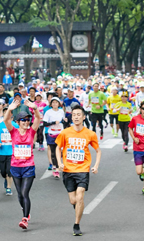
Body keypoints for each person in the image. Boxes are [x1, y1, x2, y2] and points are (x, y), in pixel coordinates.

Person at [55, 104, 101, 236]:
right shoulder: (65, 132)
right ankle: (78, 208)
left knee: (80, 195)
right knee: (73, 200)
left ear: (83, 117)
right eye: (74, 115)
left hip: (83, 170)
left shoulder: (90, 134)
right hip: (68, 170)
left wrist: (96, 165)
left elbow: (98, 151)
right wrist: (59, 162)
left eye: (78, 115)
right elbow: (58, 148)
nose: (76, 117)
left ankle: (76, 225)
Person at [4, 99, 41, 230]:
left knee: (25, 193)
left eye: (27, 120)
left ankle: (25, 219)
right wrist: (10, 109)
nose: (26, 122)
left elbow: (38, 118)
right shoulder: (13, 132)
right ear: (18, 122)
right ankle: (25, 210)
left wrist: (34, 107)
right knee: (19, 194)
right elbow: (6, 121)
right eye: (23, 120)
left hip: (28, 167)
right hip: (15, 167)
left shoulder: (31, 131)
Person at [0, 103, 16, 196]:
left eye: (9, 113)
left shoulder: (15, 126)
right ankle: (6, 179)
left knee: (9, 171)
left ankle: (9, 188)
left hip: (11, 152)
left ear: (12, 116)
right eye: (5, 113)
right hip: (1, 151)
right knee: (3, 172)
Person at [42, 97, 65, 179]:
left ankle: (58, 165)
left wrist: (64, 120)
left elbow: (63, 121)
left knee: (60, 151)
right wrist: (53, 123)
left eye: (56, 102)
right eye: (53, 102)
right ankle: (55, 168)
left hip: (60, 134)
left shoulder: (61, 111)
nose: (55, 104)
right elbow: (44, 124)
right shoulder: (48, 112)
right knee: (53, 152)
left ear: (59, 104)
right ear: (51, 104)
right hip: (52, 134)